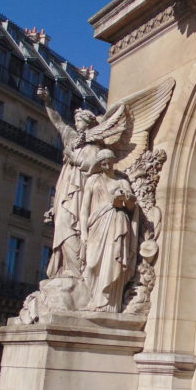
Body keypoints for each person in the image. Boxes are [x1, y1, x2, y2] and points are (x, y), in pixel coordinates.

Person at [38, 86, 103, 278]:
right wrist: (48, 102)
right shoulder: (71, 137)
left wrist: (75, 160)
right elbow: (57, 122)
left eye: (80, 121)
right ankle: (64, 269)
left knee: (69, 226)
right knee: (61, 224)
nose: (76, 123)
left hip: (81, 191)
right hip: (65, 188)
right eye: (75, 120)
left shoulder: (93, 146)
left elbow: (94, 167)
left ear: (88, 124)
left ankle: (76, 272)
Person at [79, 150, 138, 312]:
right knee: (91, 264)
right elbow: (84, 209)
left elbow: (132, 207)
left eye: (109, 162)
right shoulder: (93, 180)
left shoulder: (122, 181)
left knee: (113, 262)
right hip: (97, 223)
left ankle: (109, 305)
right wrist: (83, 231)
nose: (106, 165)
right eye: (102, 163)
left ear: (113, 161)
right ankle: (92, 299)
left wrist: (127, 199)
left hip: (117, 223)